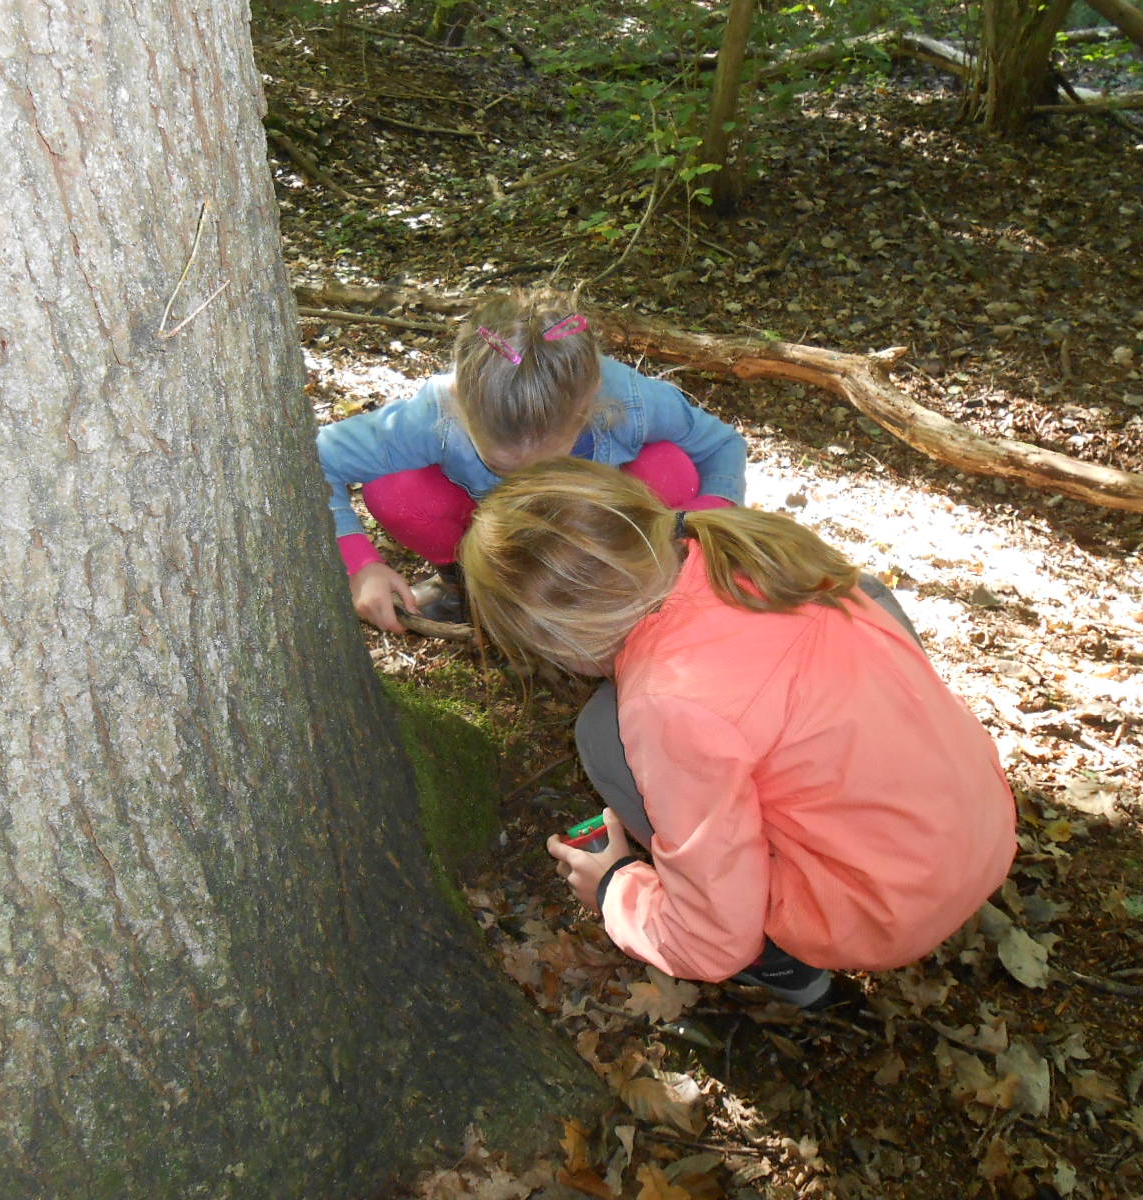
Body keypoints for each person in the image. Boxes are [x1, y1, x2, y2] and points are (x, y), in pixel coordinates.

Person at [459, 459, 1017, 1010]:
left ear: (558, 641)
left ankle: (781, 963)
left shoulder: (667, 702)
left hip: (885, 911)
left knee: (604, 736)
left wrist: (617, 888)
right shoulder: (754, 550)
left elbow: (712, 942)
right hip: (985, 828)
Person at [316, 288, 747, 632]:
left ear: (589, 412)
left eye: (544, 465)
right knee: (396, 489)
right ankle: (463, 583)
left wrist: (700, 522)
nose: (525, 480)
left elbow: (721, 445)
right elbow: (318, 461)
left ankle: (631, 589)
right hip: (487, 526)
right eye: (502, 466)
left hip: (595, 523)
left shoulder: (630, 402)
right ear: (461, 406)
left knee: (669, 469)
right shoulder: (432, 417)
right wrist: (360, 563)